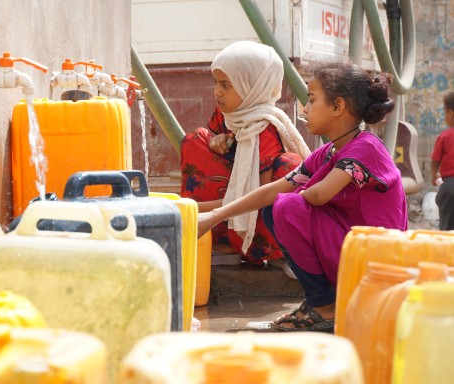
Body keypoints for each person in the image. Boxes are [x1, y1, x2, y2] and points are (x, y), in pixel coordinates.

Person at [198, 62, 407, 332]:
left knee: (287, 205)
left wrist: (295, 192)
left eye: (311, 100)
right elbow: (272, 190)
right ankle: (322, 302)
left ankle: (324, 307)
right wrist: (214, 217)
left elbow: (319, 195)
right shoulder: (330, 151)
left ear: (337, 106)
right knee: (275, 207)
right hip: (352, 249)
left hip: (378, 260)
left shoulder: (366, 147)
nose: (304, 109)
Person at [181, 41, 310, 271]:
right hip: (228, 208)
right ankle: (222, 244)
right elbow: (217, 141)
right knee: (196, 140)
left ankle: (275, 251)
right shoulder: (227, 112)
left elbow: (257, 197)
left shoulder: (264, 127)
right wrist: (216, 140)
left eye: (226, 85)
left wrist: (197, 210)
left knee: (290, 164)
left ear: (253, 87)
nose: (216, 92)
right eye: (216, 83)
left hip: (255, 216)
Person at [431, 91, 454, 230]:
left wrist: (434, 175)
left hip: (450, 187)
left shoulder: (445, 136)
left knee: (447, 230)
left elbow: (435, 160)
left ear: (450, 113)